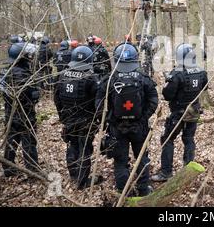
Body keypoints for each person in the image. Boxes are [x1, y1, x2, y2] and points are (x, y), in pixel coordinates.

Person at [96, 43, 158, 196]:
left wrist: (110, 120)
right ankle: (144, 190)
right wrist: (143, 118)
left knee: (120, 161)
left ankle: (123, 193)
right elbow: (153, 100)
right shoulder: (143, 77)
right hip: (139, 128)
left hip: (117, 128)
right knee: (142, 158)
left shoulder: (109, 79)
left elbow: (99, 105)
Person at [151, 44, 208, 182]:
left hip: (178, 113)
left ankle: (166, 172)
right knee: (189, 139)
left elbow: (167, 95)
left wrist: (168, 82)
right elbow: (204, 89)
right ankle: (188, 169)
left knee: (167, 139)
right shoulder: (202, 72)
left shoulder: (177, 73)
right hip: (193, 112)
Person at [54, 46, 103, 189]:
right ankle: (82, 181)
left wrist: (62, 117)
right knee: (84, 149)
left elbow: (56, 98)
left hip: (69, 119)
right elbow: (97, 102)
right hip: (85, 121)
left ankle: (74, 175)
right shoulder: (91, 78)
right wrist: (97, 119)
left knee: (72, 145)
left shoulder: (62, 75)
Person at [0, 42, 41, 177]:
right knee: (28, 141)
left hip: (10, 113)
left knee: (11, 140)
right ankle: (32, 169)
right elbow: (31, 96)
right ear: (21, 56)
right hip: (24, 114)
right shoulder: (22, 75)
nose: (30, 57)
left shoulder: (4, 71)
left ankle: (8, 168)